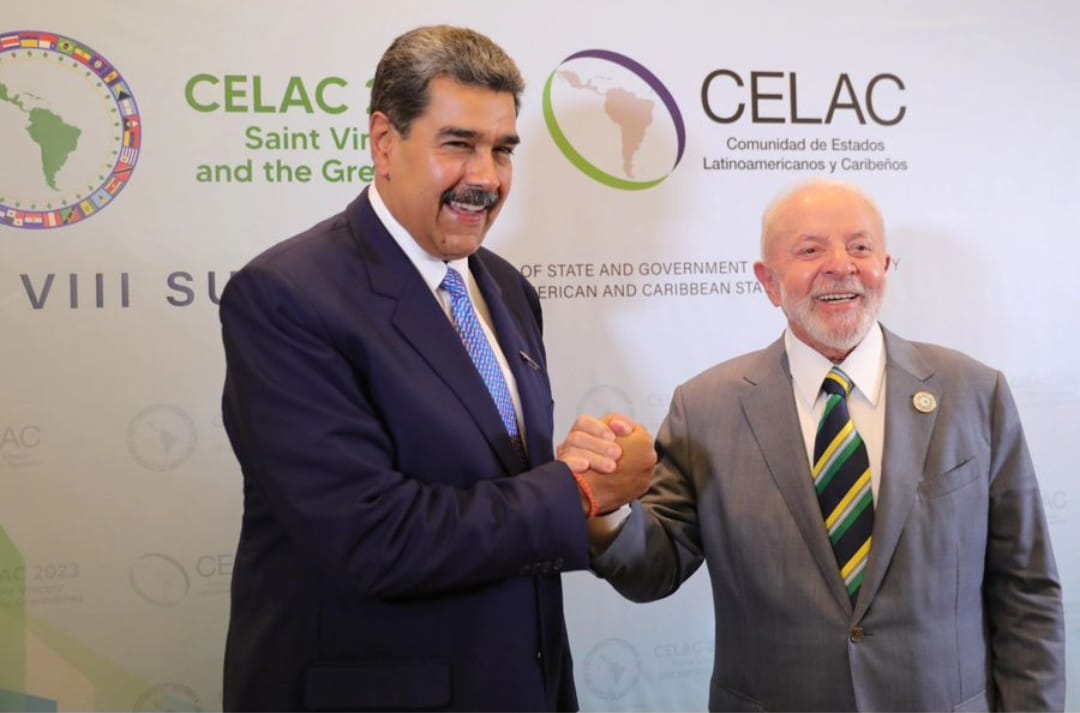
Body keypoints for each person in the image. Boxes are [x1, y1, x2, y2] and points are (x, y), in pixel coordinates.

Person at [218, 25, 655, 712]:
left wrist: (590, 468)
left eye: (502, 149)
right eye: (458, 144)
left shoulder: (506, 287)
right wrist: (574, 492)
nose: (486, 178)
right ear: (384, 142)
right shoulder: (287, 295)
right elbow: (370, 536)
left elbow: (501, 486)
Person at [583, 179, 1065, 711]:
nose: (841, 266)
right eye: (811, 250)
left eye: (860, 247)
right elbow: (654, 569)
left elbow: (1026, 589)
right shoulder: (704, 408)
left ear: (885, 266)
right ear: (768, 282)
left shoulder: (974, 392)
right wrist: (608, 507)